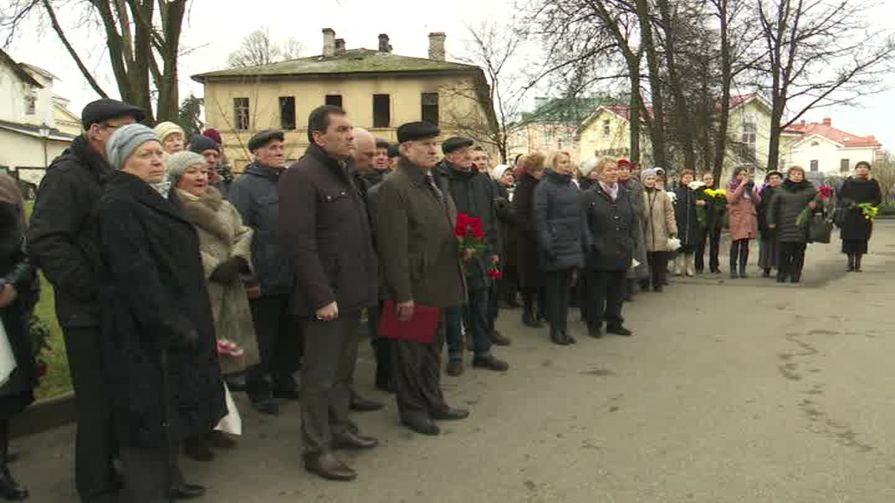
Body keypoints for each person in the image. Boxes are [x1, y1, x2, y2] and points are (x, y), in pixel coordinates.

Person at [96, 124, 224, 501]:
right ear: (122, 162)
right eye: (145, 154)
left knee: (167, 412)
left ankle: (170, 482)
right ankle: (149, 492)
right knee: (147, 420)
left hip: (173, 324)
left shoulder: (158, 196)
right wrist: (172, 325)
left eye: (159, 153)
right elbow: (136, 276)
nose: (156, 160)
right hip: (146, 332)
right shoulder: (118, 204)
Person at [27, 98, 144, 503]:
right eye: (121, 129)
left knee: (117, 398)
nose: (128, 139)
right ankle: (95, 488)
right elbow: (45, 240)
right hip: (87, 313)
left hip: (117, 308)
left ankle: (114, 472)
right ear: (96, 130)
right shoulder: (68, 175)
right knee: (96, 405)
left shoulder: (111, 171)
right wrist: (92, 287)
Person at [279, 105, 379, 481]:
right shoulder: (301, 176)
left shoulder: (345, 173)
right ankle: (316, 449)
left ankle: (339, 429)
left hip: (352, 293)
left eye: (351, 128)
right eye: (342, 129)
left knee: (342, 372)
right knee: (319, 378)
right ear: (319, 137)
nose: (350, 135)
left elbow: (357, 236)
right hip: (326, 299)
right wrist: (321, 297)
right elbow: (299, 243)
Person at [374, 121, 470, 436]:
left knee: (432, 349)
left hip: (438, 282)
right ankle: (412, 410)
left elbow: (438, 227)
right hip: (413, 286)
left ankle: (434, 401)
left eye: (434, 143)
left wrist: (462, 244)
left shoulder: (431, 181)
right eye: (425, 144)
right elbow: (392, 247)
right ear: (405, 149)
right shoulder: (394, 186)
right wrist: (402, 294)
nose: (433, 149)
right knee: (410, 355)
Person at [167, 151, 259, 460]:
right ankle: (193, 432)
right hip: (201, 291)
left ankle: (215, 422)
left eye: (204, 171)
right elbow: (180, 245)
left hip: (229, 287)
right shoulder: (173, 208)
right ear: (177, 176)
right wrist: (212, 267)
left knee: (219, 363)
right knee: (197, 363)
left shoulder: (224, 203)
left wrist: (238, 259)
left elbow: (244, 231)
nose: (201, 176)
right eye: (192, 171)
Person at [228, 129, 298, 415]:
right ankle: (258, 388)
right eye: (272, 148)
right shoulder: (244, 186)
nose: (279, 152)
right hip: (264, 277)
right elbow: (238, 235)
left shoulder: (289, 182)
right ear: (257, 153)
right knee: (262, 339)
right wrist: (248, 279)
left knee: (289, 335)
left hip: (291, 274)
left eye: (281, 147)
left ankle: (283, 379)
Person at [436, 137, 509, 376]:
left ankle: (482, 352)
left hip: (481, 250)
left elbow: (491, 217)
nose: (467, 155)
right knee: (454, 307)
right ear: (449, 157)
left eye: (468, 150)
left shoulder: (482, 181)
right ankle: (456, 354)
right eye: (461, 152)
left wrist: (494, 250)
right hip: (451, 251)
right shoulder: (440, 180)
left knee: (480, 303)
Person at [344, 128, 387, 409]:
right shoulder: (315, 179)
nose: (374, 160)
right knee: (339, 350)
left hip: (369, 269)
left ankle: (347, 398)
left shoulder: (357, 181)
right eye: (369, 155)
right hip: (343, 277)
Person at [0, 173, 37, 501]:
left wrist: (10, 283)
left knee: (3, 395)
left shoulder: (4, 210)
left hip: (1, 320)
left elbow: (24, 257)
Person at [533, 150, 589, 345]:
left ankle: (564, 327)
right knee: (554, 291)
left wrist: (585, 239)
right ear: (553, 165)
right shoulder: (544, 187)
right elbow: (540, 219)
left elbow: (580, 216)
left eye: (568, 162)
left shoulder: (572, 186)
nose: (567, 165)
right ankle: (556, 330)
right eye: (562, 162)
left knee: (566, 291)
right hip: (555, 245)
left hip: (572, 244)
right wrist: (548, 243)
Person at [581, 157, 636, 339]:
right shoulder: (589, 195)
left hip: (622, 249)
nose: (614, 173)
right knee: (597, 291)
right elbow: (583, 224)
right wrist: (591, 244)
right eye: (609, 170)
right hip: (599, 252)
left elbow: (633, 220)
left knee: (617, 290)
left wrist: (631, 241)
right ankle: (594, 324)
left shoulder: (624, 193)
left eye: (615, 169)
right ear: (599, 174)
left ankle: (614, 322)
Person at [513, 153, 546, 328]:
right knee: (529, 279)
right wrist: (534, 231)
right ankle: (528, 312)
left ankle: (541, 310)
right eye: (540, 169)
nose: (542, 172)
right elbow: (519, 215)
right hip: (528, 240)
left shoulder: (544, 185)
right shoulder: (524, 187)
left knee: (542, 278)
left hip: (543, 237)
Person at [768, 166, 816, 283]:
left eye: (799, 174)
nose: (796, 176)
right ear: (789, 176)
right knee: (784, 252)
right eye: (794, 174)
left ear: (803, 176)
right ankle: (782, 273)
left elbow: (819, 205)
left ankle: (796, 274)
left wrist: (815, 205)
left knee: (798, 252)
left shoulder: (810, 189)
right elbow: (772, 206)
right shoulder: (781, 189)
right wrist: (771, 221)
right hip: (784, 225)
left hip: (802, 225)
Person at [837, 161, 882, 272]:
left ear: (868, 170)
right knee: (848, 240)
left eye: (865, 167)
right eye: (860, 167)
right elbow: (841, 196)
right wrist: (850, 203)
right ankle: (849, 262)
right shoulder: (848, 182)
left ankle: (858, 263)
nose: (862, 169)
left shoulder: (873, 183)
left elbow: (877, 198)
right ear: (856, 169)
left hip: (864, 215)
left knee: (861, 240)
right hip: (849, 214)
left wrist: (868, 205)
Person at [641, 168, 677, 292]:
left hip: (660, 231)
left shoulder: (662, 195)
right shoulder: (640, 194)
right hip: (645, 232)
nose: (651, 181)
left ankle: (658, 283)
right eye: (648, 179)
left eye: (653, 179)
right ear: (643, 180)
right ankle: (644, 283)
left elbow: (669, 212)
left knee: (659, 260)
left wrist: (672, 228)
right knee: (646, 259)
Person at [618, 159, 647, 299]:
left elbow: (642, 208)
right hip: (617, 225)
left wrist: (628, 209)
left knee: (633, 255)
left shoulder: (637, 187)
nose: (623, 172)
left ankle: (630, 287)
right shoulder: (613, 185)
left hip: (633, 224)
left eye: (626, 170)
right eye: (621, 169)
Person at [491, 164, 519, 308]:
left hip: (513, 235)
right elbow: (504, 211)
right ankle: (502, 298)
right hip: (503, 233)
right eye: (505, 174)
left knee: (512, 267)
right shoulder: (497, 191)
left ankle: (511, 297)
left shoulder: (514, 190)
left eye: (510, 174)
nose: (509, 177)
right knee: (503, 267)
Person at [726, 167, 761, 279]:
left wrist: (751, 190)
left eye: (745, 175)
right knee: (735, 243)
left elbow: (758, 201)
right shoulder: (731, 186)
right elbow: (731, 200)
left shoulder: (751, 187)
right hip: (737, 218)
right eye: (740, 174)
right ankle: (733, 269)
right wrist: (741, 186)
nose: (743, 177)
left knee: (745, 245)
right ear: (736, 176)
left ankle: (742, 269)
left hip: (749, 218)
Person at [695, 171, 724, 274]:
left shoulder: (718, 191)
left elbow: (721, 206)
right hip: (702, 221)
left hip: (715, 221)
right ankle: (698, 266)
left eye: (709, 179)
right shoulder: (698, 191)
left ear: (713, 179)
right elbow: (695, 203)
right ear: (703, 180)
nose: (708, 181)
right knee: (700, 244)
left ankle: (714, 266)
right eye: (706, 179)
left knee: (714, 245)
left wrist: (706, 204)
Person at [672, 169, 700, 277]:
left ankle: (688, 267)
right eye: (686, 177)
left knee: (690, 246)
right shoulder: (676, 191)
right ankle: (678, 267)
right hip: (680, 221)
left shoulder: (696, 192)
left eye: (690, 177)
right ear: (681, 179)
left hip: (692, 222)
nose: (688, 180)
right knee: (679, 245)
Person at [757, 171, 783, 277]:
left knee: (779, 247)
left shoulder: (784, 191)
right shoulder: (763, 192)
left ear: (781, 180)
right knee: (766, 247)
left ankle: (780, 268)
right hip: (766, 224)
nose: (774, 180)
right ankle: (766, 268)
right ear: (768, 181)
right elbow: (759, 207)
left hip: (781, 223)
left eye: (777, 178)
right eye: (772, 178)